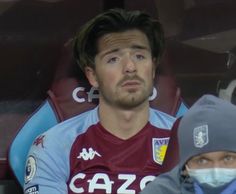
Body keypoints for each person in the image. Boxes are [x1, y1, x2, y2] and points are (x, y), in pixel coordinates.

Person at [23, 8, 179, 194]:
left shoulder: (184, 141)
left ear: (153, 69)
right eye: (113, 59)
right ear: (93, 76)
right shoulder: (54, 145)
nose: (130, 67)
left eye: (139, 56)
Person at [140, 94, 236, 194]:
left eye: (228, 158)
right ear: (185, 167)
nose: (216, 172)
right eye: (202, 161)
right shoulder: (160, 191)